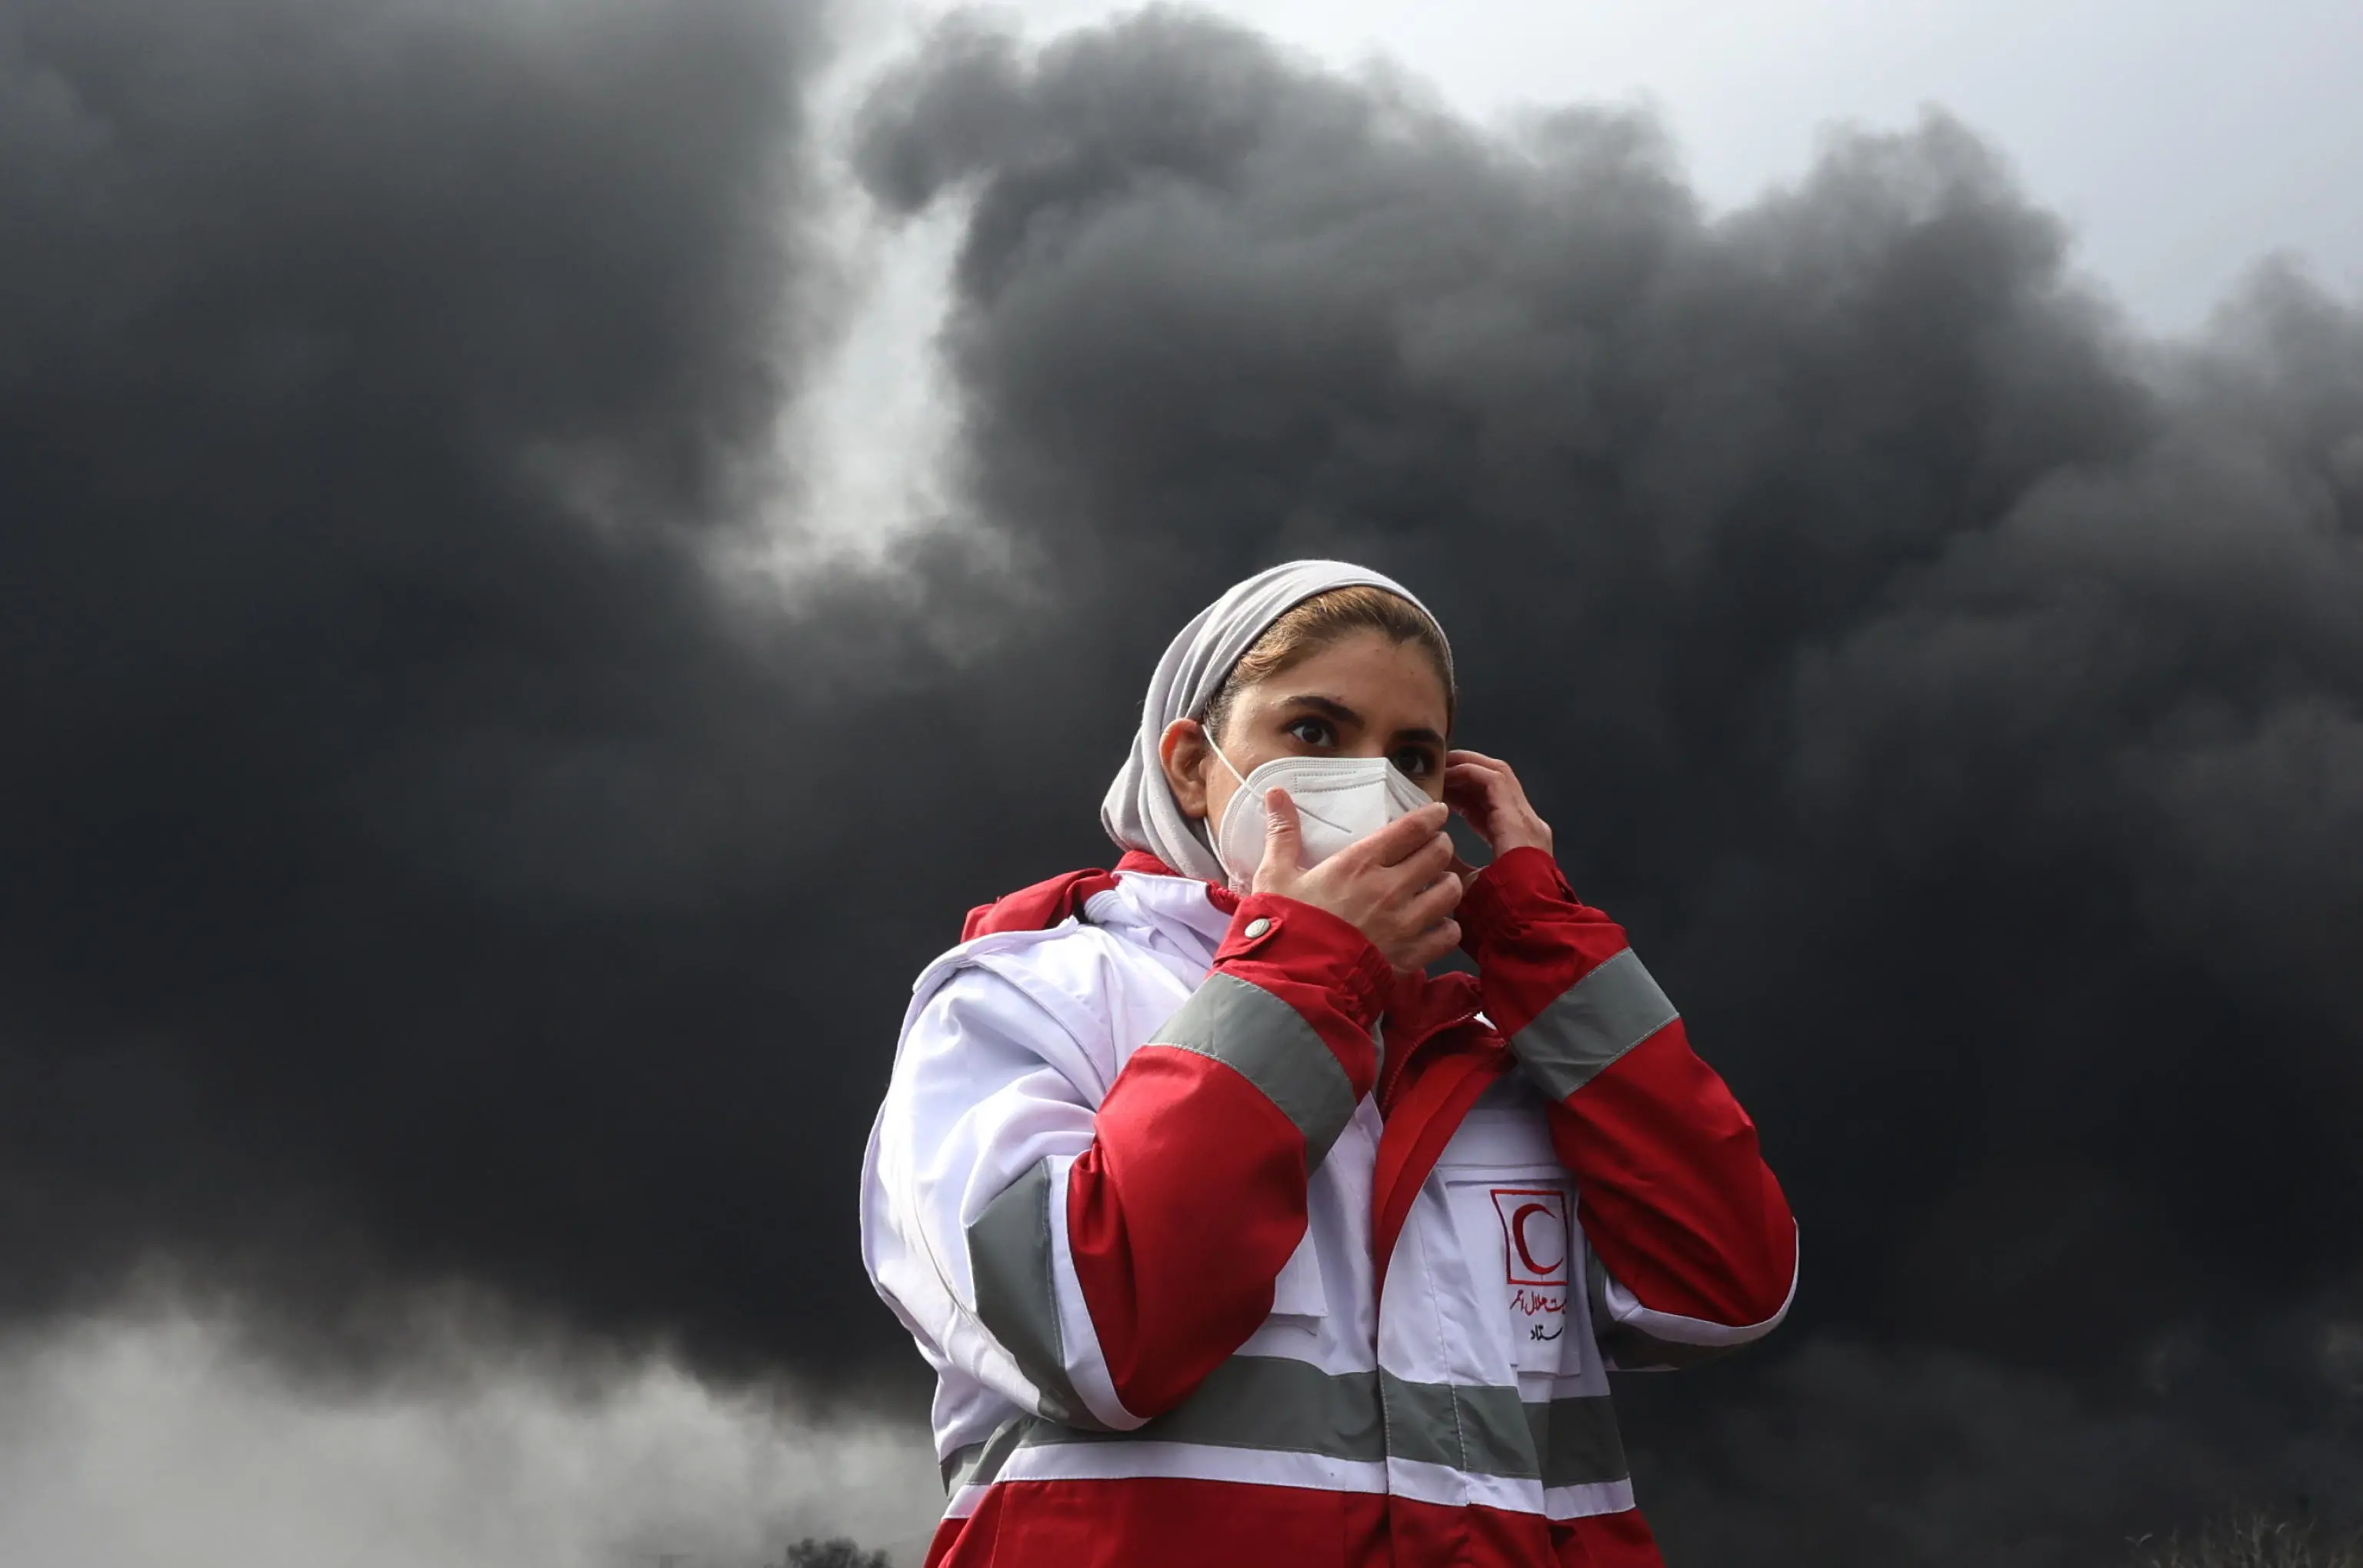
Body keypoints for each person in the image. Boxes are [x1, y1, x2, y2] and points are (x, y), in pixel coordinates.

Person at [861, 561, 1798, 1567]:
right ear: (1190, 763)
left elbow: (1724, 1290)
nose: (1373, 783)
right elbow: (1088, 1336)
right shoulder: (1027, 996)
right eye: (1314, 731)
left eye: (1415, 755)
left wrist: (1538, 936)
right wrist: (1310, 970)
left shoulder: (1495, 1054)